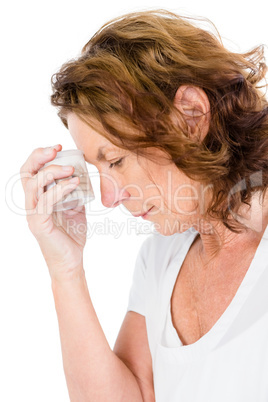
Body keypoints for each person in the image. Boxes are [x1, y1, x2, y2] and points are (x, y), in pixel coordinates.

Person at [20, 9, 268, 402]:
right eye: (97, 168)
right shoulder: (161, 258)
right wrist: (65, 270)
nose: (107, 197)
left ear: (190, 115)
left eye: (115, 160)